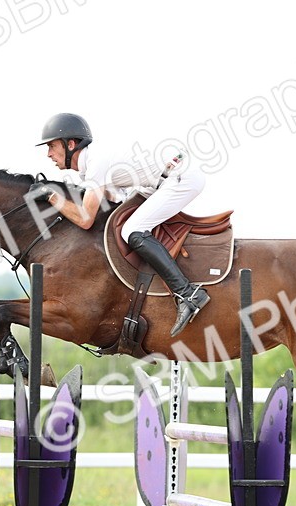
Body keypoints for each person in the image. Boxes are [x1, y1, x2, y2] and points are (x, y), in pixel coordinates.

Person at [33, 112, 210, 337]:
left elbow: (86, 219)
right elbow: (117, 201)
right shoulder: (93, 165)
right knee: (129, 221)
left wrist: (51, 196)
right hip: (162, 180)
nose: (48, 154)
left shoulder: (97, 162)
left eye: (51, 146)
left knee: (132, 230)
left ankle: (188, 294)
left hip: (181, 177)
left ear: (70, 144)